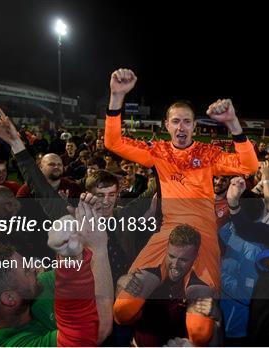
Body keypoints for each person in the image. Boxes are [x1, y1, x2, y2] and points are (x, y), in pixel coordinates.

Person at [104, 68, 258, 344]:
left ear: (194, 127)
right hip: (168, 235)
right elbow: (113, 142)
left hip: (204, 237)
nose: (181, 128)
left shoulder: (208, 154)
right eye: (175, 122)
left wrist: (233, 122)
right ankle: (144, 333)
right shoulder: (158, 152)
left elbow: (248, 165)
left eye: (187, 122)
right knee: (123, 311)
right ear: (165, 125)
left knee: (200, 333)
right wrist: (117, 96)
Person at [0, 196, 113, 346]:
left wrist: (79, 235)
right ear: (9, 298)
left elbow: (88, 278)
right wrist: (97, 246)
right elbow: (92, 333)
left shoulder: (37, 287)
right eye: (26, 270)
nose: (34, 267)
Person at [117, 224, 220, 346]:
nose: (175, 264)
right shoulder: (148, 275)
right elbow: (122, 316)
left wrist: (215, 321)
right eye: (171, 256)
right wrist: (121, 283)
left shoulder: (200, 290)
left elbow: (214, 340)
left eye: (183, 260)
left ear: (195, 258)